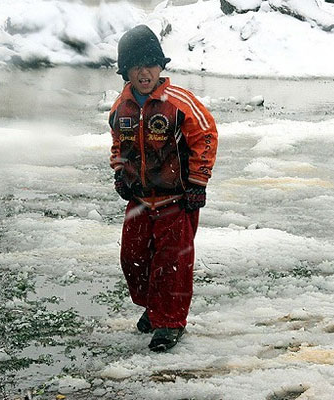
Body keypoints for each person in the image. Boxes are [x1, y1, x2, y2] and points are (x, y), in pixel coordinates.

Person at [108, 25, 218, 352]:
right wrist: (119, 173)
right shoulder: (121, 107)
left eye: (150, 64)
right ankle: (153, 306)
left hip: (176, 200)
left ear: (161, 67)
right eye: (136, 66)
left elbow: (206, 137)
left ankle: (170, 322)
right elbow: (118, 144)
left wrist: (198, 182)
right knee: (133, 259)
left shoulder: (180, 102)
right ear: (125, 71)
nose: (144, 72)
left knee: (172, 264)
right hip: (140, 199)